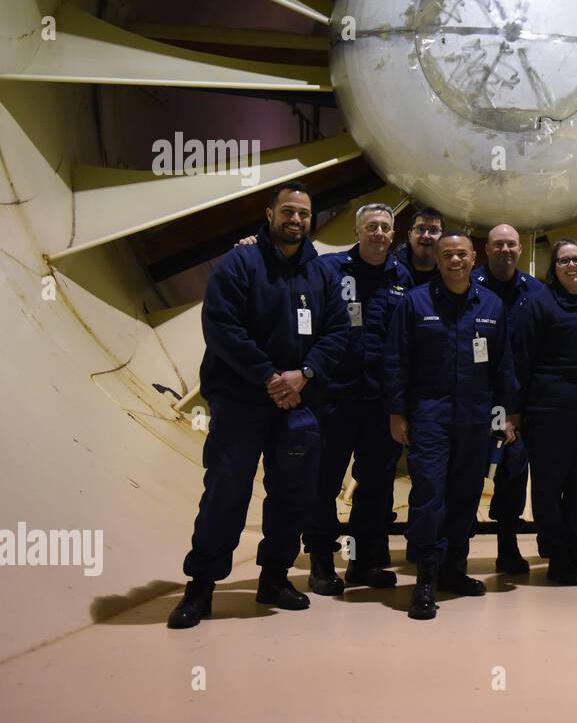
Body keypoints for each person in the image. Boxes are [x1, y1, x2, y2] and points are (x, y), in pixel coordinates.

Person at [168, 181, 349, 629]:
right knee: (227, 491)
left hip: (299, 402)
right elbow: (222, 327)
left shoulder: (322, 273)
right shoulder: (240, 263)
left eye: (304, 214)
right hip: (242, 401)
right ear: (269, 215)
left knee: (292, 495)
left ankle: (274, 578)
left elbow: (338, 331)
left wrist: (302, 376)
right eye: (287, 211)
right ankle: (201, 588)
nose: (296, 220)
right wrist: (269, 376)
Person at [383, 231, 518, 620]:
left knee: (465, 494)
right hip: (430, 416)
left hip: (475, 419)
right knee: (429, 493)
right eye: (447, 255)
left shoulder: (491, 305)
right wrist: (397, 412)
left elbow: (503, 365)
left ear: (473, 258)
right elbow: (397, 361)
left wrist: (507, 412)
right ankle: (425, 577)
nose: (455, 261)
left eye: (461, 254)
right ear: (437, 260)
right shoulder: (415, 303)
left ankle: (452, 570)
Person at [302, 203, 412, 594]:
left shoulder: (403, 278)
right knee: (324, 481)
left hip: (380, 403)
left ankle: (366, 562)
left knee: (376, 484)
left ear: (392, 232)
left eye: (385, 227)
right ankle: (320, 561)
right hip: (335, 398)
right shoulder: (329, 269)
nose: (379, 233)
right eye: (372, 226)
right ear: (358, 229)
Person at [510, 239, 577, 584]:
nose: (572, 265)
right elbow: (522, 359)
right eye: (564, 261)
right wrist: (517, 411)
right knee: (548, 486)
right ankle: (556, 553)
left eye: (576, 259)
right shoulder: (539, 304)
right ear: (554, 268)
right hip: (549, 413)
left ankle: (574, 547)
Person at [470, 224, 544, 574]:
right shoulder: (467, 287)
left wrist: (514, 412)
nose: (505, 250)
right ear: (486, 249)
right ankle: (452, 551)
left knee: (513, 476)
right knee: (464, 476)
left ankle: (507, 545)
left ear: (519, 248)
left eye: (511, 244)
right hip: (472, 401)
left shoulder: (536, 292)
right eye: (498, 244)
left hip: (518, 405)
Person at [396, 207, 442, 286]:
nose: (426, 236)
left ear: (442, 238)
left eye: (433, 230)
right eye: (421, 229)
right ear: (410, 236)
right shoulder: (390, 268)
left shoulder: (449, 275)